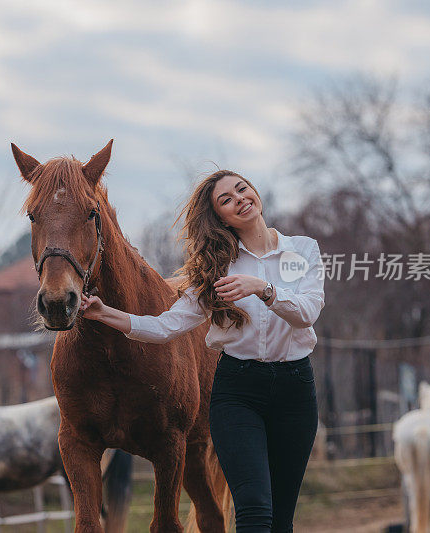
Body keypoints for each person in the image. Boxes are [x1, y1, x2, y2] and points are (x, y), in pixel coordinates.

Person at [79, 170, 325, 532]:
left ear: (255, 193)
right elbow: (165, 327)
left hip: (296, 389)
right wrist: (105, 313)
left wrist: (262, 287)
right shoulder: (215, 269)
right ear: (219, 218)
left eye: (242, 189)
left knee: (281, 518)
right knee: (254, 512)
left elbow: (307, 313)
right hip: (239, 392)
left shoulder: (303, 250)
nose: (239, 199)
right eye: (226, 200)